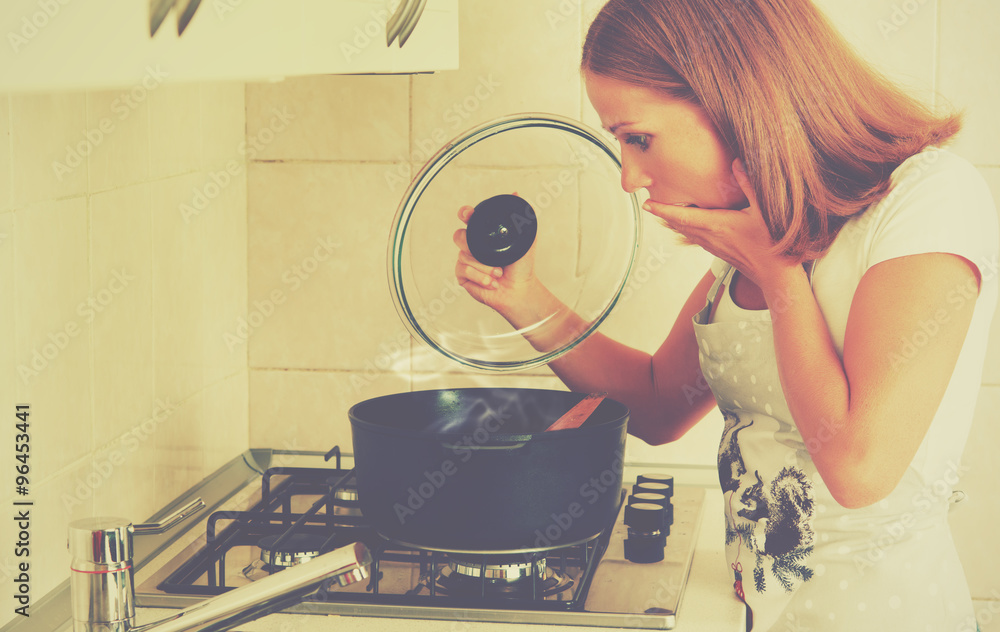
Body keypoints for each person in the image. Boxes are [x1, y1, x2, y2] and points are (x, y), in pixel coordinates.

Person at [451, 0, 998, 630]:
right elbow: (656, 404)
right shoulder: (763, 232)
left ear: (735, 102)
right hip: (753, 615)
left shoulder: (928, 200)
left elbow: (859, 466)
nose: (630, 177)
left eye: (639, 138)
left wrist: (778, 273)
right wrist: (525, 301)